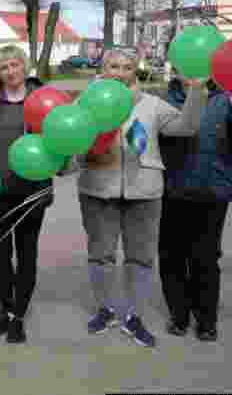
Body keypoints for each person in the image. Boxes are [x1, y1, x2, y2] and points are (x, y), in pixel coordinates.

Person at [79, 47, 205, 348]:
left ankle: (135, 316)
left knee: (141, 258)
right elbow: (73, 142)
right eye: (113, 66)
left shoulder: (151, 104)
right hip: (98, 188)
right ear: (103, 68)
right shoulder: (86, 102)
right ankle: (105, 309)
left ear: (135, 71)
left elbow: (186, 127)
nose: (120, 73)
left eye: (126, 67)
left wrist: (197, 91)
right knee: (100, 255)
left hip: (144, 191)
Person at [0, 45, 54, 344]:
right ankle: (5, 309)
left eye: (15, 65)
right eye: (3, 67)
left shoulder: (43, 101)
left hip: (32, 191)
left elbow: (61, 141)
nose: (10, 72)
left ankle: (19, 315)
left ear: (24, 66)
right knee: (1, 255)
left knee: (27, 253)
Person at [158, 73, 227, 342]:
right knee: (172, 257)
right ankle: (179, 315)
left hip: (213, 192)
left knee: (206, 259)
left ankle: (206, 320)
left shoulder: (224, 100)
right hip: (172, 192)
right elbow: (143, 139)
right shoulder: (164, 101)